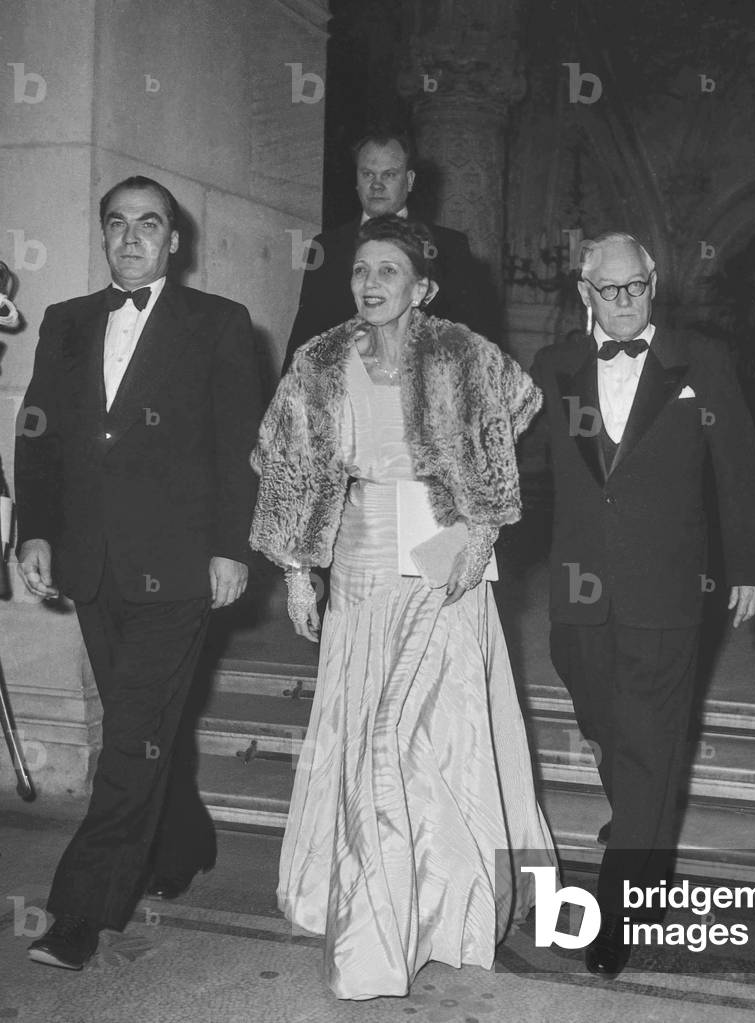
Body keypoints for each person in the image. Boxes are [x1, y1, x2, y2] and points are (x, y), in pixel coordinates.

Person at [249, 214, 556, 1000]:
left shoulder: (462, 355)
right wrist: (295, 572)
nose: (371, 283)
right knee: (367, 727)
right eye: (362, 270)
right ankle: (379, 910)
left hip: (442, 556)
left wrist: (479, 536)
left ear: (423, 287)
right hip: (357, 565)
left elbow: (501, 436)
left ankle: (431, 914)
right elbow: (287, 469)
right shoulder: (319, 362)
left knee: (420, 734)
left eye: (389, 271)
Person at [14, 176, 263, 969]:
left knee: (127, 736)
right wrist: (35, 533)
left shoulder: (219, 325)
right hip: (91, 563)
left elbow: (240, 450)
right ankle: (181, 840)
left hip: (179, 568)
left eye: (147, 225)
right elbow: (39, 435)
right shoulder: (66, 321)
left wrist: (233, 548)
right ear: (103, 234)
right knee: (147, 726)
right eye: (116, 225)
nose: (131, 239)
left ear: (174, 240)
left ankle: (77, 913)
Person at [529, 231, 755, 979]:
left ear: (653, 281)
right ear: (584, 292)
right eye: (610, 289)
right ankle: (644, 832)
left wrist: (753, 564)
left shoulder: (701, 361)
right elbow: (526, 467)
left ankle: (620, 900)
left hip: (669, 587)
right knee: (604, 723)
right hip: (578, 588)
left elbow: (737, 466)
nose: (626, 301)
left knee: (647, 742)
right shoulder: (554, 365)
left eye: (636, 286)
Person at [282, 131, 485, 372]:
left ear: (409, 180)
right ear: (356, 181)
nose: (377, 185)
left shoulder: (449, 247)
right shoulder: (326, 246)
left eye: (389, 174)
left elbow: (473, 338)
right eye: (368, 174)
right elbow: (306, 333)